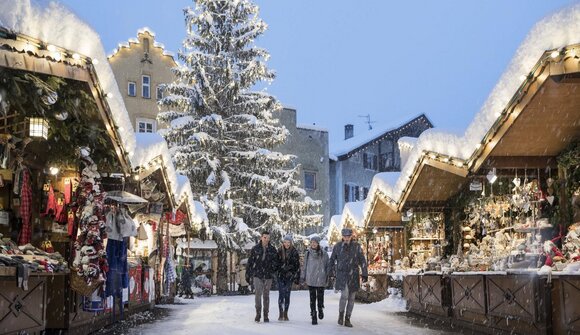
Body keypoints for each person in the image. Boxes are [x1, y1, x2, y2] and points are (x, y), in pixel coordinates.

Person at [329, 228, 368, 328]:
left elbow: (362, 260)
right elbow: (332, 260)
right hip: (342, 275)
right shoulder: (338, 246)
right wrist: (331, 272)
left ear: (351, 236)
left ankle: (347, 318)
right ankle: (341, 314)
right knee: (345, 295)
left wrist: (364, 273)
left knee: (352, 298)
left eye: (348, 236)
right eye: (345, 236)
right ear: (342, 236)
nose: (346, 238)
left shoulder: (356, 246)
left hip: (354, 274)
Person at [246, 231, 279, 323]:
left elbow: (276, 262)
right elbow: (250, 262)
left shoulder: (272, 249)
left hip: (268, 275)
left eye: (268, 238)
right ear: (261, 237)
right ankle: (258, 313)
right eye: (265, 237)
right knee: (258, 294)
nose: (266, 239)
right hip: (258, 275)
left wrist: (272, 269)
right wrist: (248, 274)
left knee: (266, 295)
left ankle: (266, 314)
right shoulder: (255, 248)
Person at [301, 235, 329, 325]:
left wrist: (328, 275)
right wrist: (303, 276)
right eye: (312, 242)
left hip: (321, 278)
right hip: (311, 278)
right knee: (312, 299)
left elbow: (327, 265)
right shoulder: (307, 253)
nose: (313, 244)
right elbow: (304, 266)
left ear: (318, 243)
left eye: (315, 242)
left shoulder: (324, 253)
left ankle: (320, 308)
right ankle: (313, 315)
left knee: (320, 298)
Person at [277, 234, 300, 321]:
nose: (287, 244)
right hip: (281, 275)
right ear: (283, 242)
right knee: (281, 295)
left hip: (289, 276)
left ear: (291, 243)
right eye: (285, 242)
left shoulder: (294, 252)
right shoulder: (279, 250)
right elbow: (276, 263)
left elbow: (296, 265)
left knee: (287, 295)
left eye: (288, 242)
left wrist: (292, 272)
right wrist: (281, 269)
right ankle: (280, 312)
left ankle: (286, 313)